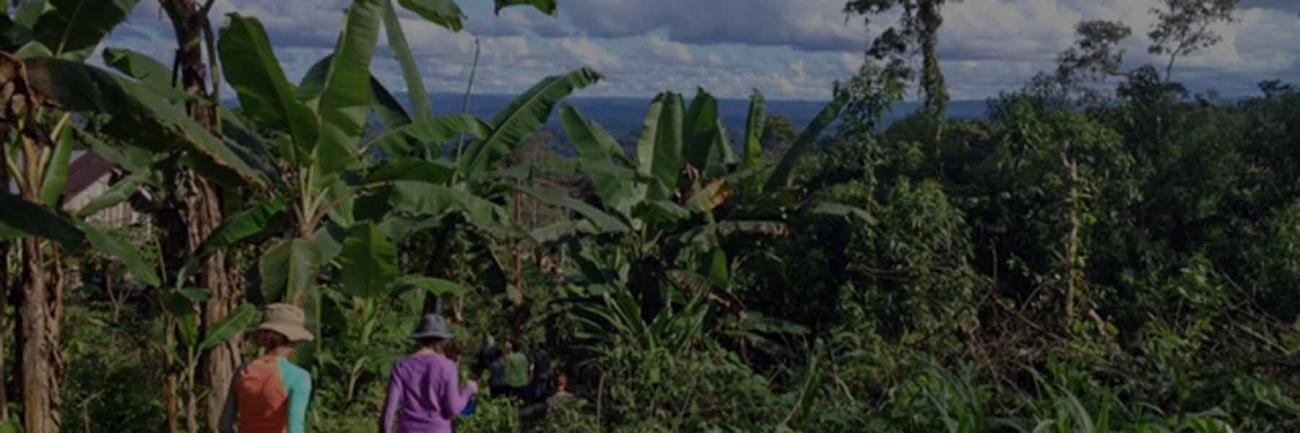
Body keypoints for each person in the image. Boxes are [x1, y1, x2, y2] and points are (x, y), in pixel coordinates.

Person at [219, 304, 314, 433]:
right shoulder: (299, 377)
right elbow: (295, 426)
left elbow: (224, 426)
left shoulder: (242, 371)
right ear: (293, 338)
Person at [381, 314, 479, 433]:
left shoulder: (401, 367)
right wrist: (469, 390)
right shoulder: (448, 366)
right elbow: (452, 409)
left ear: (419, 339)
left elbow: (389, 412)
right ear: (443, 340)